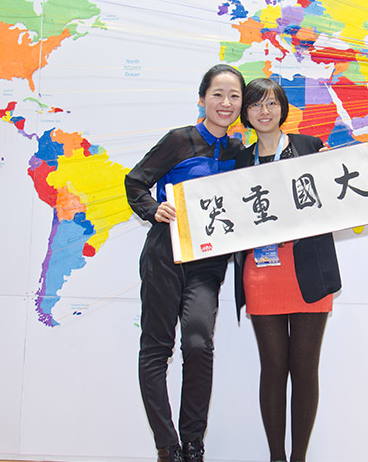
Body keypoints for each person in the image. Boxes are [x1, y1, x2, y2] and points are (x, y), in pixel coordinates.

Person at [125, 64, 246, 462]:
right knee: (156, 348)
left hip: (208, 263)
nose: (225, 103)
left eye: (234, 96)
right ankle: (168, 447)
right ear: (202, 99)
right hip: (165, 254)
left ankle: (193, 443)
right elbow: (135, 181)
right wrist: (151, 208)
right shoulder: (179, 140)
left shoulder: (239, 152)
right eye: (217, 94)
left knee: (198, 343)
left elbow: (279, 176)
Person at [233, 77, 342, 462]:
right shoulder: (239, 161)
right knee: (274, 368)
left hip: (309, 271)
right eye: (255, 104)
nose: (264, 111)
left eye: (271, 103)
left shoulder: (310, 147)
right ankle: (276, 458)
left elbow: (347, 186)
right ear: (246, 114)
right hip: (262, 275)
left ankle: (299, 459)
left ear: (282, 108)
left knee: (304, 369)